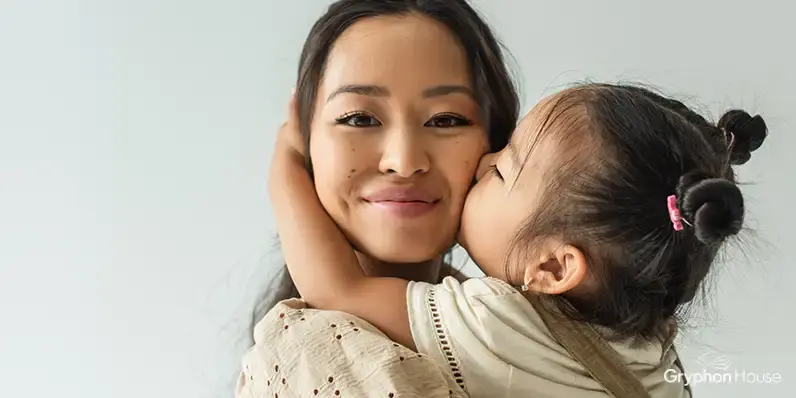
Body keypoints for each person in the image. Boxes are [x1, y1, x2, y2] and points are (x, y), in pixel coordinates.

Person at [264, 82, 767, 397]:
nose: (482, 163)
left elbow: (338, 291)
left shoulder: (498, 319)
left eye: (503, 170)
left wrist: (286, 163)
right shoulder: (651, 347)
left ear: (553, 269)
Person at [251, 0, 520, 323]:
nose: (404, 161)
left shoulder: (518, 329)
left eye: (446, 120)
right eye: (360, 119)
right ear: (304, 138)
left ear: (498, 143)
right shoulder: (294, 361)